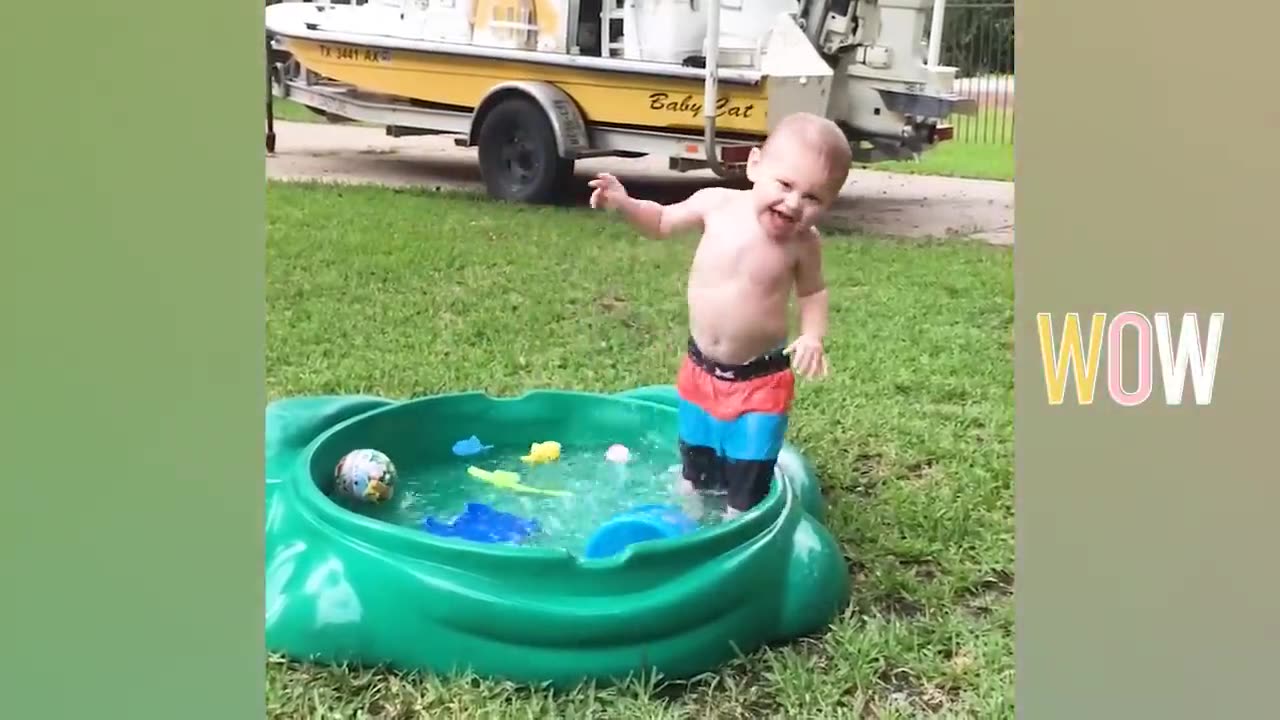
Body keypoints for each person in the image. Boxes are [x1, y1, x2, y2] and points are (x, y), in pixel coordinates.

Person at [588, 111, 852, 517]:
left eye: (813, 197)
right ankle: (691, 516)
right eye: (785, 184)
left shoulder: (804, 244)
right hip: (700, 371)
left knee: (748, 473)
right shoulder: (716, 204)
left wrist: (813, 335)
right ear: (754, 165)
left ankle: (737, 527)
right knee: (696, 467)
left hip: (760, 381)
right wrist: (624, 203)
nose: (793, 203)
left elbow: (813, 291)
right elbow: (660, 221)